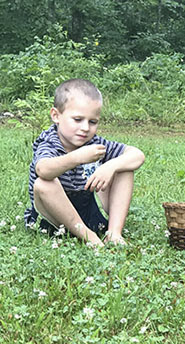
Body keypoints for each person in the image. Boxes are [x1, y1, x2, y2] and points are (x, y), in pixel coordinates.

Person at [24, 78, 145, 247]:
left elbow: (137, 155)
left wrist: (111, 166)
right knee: (44, 184)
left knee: (124, 167)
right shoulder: (50, 142)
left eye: (92, 122)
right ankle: (90, 238)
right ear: (56, 115)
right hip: (52, 221)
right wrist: (77, 157)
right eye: (78, 119)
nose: (85, 128)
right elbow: (43, 169)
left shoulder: (93, 143)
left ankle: (114, 233)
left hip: (88, 214)